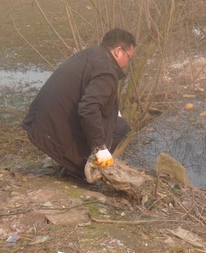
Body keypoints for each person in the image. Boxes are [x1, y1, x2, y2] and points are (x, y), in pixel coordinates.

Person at [22, 28, 136, 180]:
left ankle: (72, 165)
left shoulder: (91, 54)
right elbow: (88, 109)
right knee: (119, 127)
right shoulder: (107, 71)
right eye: (129, 57)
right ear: (118, 51)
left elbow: (92, 96)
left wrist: (114, 110)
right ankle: (82, 170)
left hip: (40, 123)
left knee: (113, 120)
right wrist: (99, 148)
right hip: (51, 133)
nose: (128, 62)